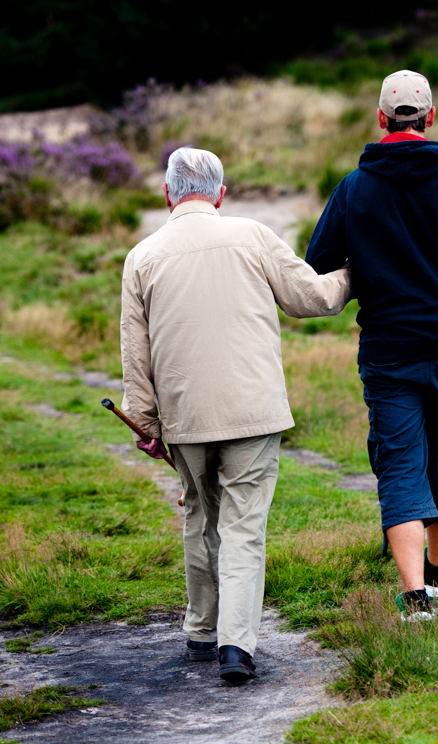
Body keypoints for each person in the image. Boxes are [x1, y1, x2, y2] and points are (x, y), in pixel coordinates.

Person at [121, 147, 351, 680]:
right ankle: (236, 648)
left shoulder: (142, 256)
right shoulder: (252, 236)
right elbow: (312, 298)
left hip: (185, 416)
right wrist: (353, 275)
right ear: (221, 194)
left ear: (167, 195)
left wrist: (145, 422)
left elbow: (136, 352)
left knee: (200, 514)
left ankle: (201, 631)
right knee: (244, 527)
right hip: (253, 413)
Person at [305, 70, 438, 622]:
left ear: (381, 119)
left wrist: (369, 264)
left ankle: (415, 597)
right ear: (430, 118)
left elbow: (317, 264)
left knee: (400, 468)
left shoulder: (355, 188)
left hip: (389, 350)